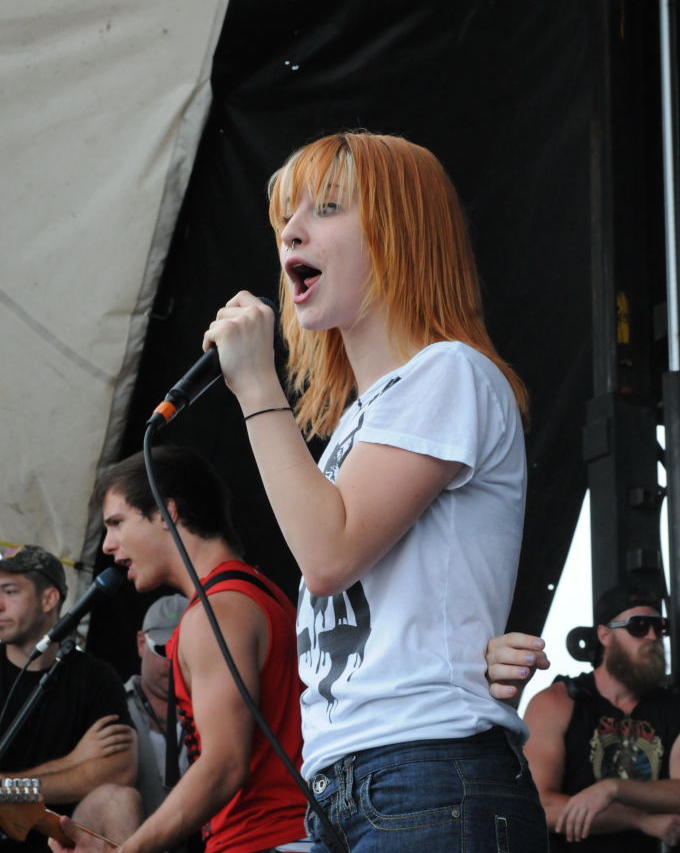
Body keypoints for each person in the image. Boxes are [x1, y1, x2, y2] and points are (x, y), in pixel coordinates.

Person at [200, 130, 549, 851]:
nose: (292, 231)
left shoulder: (449, 372)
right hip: (350, 781)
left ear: (401, 234)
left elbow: (328, 554)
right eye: (287, 217)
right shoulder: (359, 423)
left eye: (327, 208)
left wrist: (258, 385)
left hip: (426, 770)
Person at [53, 444, 308, 853]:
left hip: (265, 840)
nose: (107, 545)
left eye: (117, 523)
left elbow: (224, 765)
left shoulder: (216, 611)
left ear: (166, 513)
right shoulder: (255, 593)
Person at [516, 586, 680, 850]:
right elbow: (540, 805)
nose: (652, 636)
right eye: (638, 626)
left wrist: (614, 788)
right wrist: (639, 820)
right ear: (605, 635)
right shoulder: (557, 702)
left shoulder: (672, 708)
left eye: (659, 627)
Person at [0, 544, 138, 851]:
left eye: (9, 591)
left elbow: (120, 771)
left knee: (119, 800)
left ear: (49, 599)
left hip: (61, 838)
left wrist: (8, 788)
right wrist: (73, 762)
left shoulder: (96, 677)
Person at [125, 594, 189, 817]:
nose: (172, 660)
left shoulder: (215, 712)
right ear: (141, 643)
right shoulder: (110, 705)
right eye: (163, 649)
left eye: (182, 649)